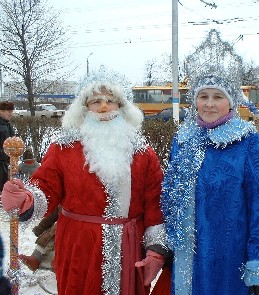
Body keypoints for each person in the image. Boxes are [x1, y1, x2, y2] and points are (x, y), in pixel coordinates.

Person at [1, 76, 168, 295]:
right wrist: (26, 199)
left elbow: (155, 204)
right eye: (96, 101)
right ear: (85, 107)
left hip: (128, 249)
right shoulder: (64, 148)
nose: (104, 106)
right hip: (78, 246)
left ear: (122, 105)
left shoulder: (143, 153)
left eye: (111, 100)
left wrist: (155, 251)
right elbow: (45, 187)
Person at [160, 75, 259, 295]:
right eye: (203, 96)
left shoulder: (248, 142)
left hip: (231, 257)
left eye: (218, 97)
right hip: (187, 257)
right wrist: (169, 244)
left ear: (231, 101)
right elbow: (170, 197)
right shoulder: (182, 140)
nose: (209, 104)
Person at [19, 206, 60, 272]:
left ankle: (57, 263)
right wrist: (40, 228)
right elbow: (53, 215)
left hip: (79, 232)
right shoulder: (65, 200)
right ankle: (35, 259)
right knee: (50, 235)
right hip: (63, 225)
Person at [0, 101, 15, 192]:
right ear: (1, 111)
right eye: (8, 111)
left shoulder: (8, 124)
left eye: (11, 111)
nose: (11, 113)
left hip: (6, 162)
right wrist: (3, 154)